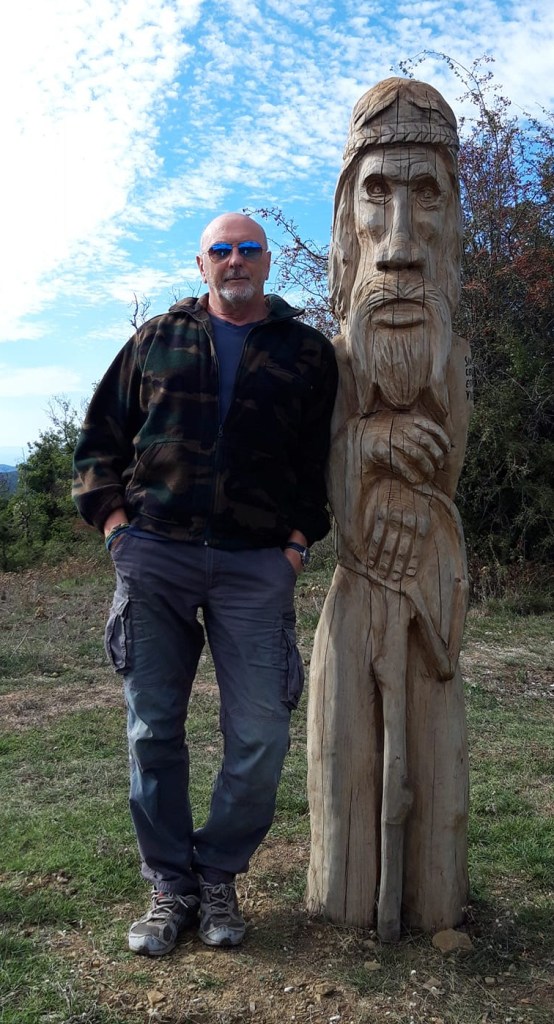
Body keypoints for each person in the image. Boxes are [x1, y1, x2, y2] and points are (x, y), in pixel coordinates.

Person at [72, 212, 338, 956]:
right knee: (152, 730)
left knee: (259, 736)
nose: (235, 261)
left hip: (257, 565)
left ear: (268, 261)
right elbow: (97, 443)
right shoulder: (157, 340)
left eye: (248, 249)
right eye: (221, 250)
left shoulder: (307, 353)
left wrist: (295, 543)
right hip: (154, 553)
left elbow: (320, 460)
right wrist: (117, 532)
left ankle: (216, 872)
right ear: (201, 264)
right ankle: (170, 884)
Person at [306, 79, 472, 939]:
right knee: (346, 765)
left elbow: (451, 471)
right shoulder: (334, 357)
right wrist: (364, 447)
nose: (401, 245)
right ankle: (343, 903)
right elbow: (322, 475)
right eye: (378, 194)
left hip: (431, 601)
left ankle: (435, 905)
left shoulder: (453, 355)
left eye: (427, 197)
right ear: (347, 217)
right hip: (355, 594)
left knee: (437, 778)